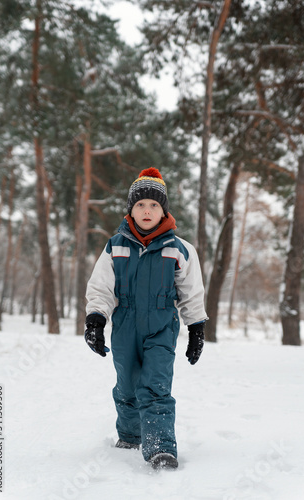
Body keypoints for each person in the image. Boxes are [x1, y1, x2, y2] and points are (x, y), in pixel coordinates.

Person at [85, 167, 207, 470]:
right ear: (131, 210)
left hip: (162, 326)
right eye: (140, 204)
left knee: (155, 386)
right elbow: (101, 286)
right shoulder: (116, 245)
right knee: (126, 385)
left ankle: (160, 447)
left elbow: (192, 292)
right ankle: (129, 434)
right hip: (124, 324)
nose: (147, 210)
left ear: (163, 209)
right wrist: (96, 320)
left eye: (154, 204)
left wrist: (197, 328)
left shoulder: (179, 249)